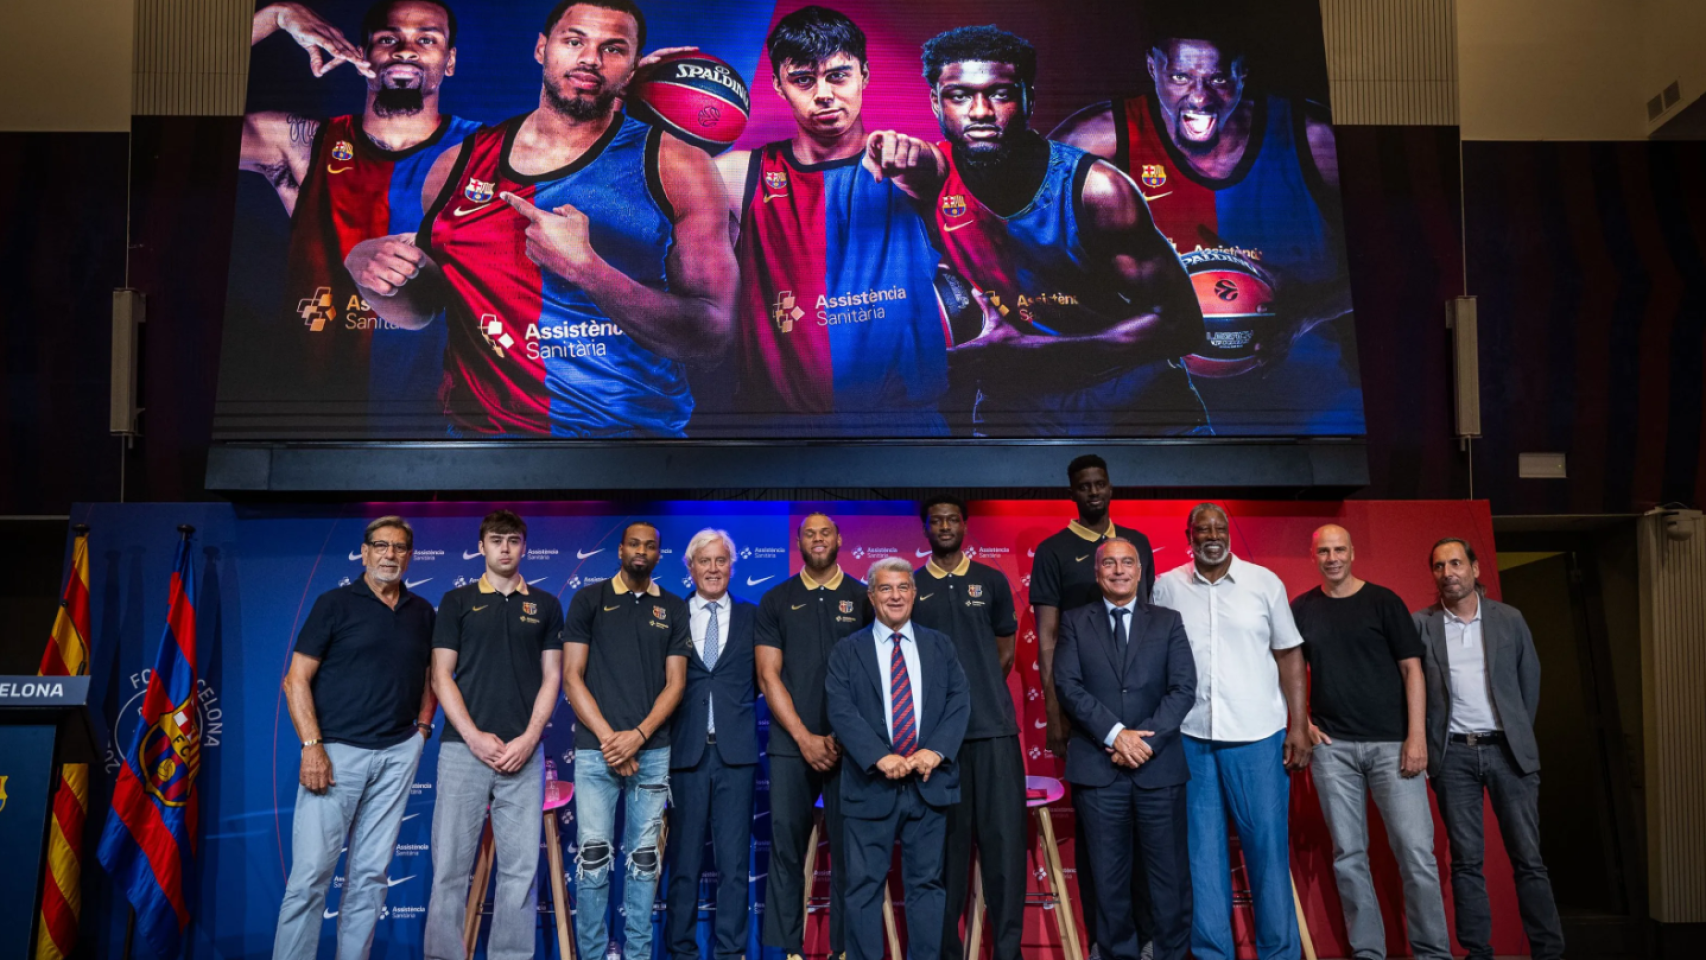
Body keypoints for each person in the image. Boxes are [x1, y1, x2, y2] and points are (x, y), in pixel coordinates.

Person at [346, 0, 738, 438]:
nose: (590, 58)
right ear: (541, 49)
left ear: (631, 71)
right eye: (574, 41)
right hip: (485, 445)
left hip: (631, 447)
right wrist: (368, 268)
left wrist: (588, 270)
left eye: (613, 48)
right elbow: (424, 308)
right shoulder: (456, 165)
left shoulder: (677, 165)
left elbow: (710, 338)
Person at [919, 25, 1207, 437]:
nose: (980, 111)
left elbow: (1183, 326)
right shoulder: (923, 182)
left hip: (1129, 396)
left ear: (1028, 98)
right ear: (935, 102)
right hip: (1014, 405)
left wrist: (1031, 351)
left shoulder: (1097, 190)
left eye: (1000, 94)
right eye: (959, 96)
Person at [1051, 8, 1351, 398]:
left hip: (1311, 401)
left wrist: (1306, 310)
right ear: (1152, 67)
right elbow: (1019, 246)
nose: (1199, 97)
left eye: (1218, 78)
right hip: (1158, 407)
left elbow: (1395, 262)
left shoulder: (1312, 138)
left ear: (1242, 73)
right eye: (1180, 77)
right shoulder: (1098, 142)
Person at [704, 5, 950, 437]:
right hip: (778, 433)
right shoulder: (737, 175)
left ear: (865, 76)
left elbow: (940, 171)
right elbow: (653, 206)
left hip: (905, 429)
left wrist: (921, 161)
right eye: (803, 79)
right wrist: (643, 103)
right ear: (779, 86)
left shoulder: (913, 168)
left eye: (838, 75)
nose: (823, 94)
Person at [241, 1, 478, 426]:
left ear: (451, 60)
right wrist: (273, 18)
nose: (406, 50)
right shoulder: (302, 145)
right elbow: (170, 123)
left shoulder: (491, 151)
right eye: (388, 39)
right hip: (312, 422)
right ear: (361, 55)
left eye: (427, 39)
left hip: (443, 429)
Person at [1152, 503, 1311, 960]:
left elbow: (1289, 655)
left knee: (1268, 852)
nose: (1212, 535)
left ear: (1228, 534)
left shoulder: (1264, 583)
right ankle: (1211, 954)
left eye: (1219, 527)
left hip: (1258, 736)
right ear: (1189, 535)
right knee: (1201, 858)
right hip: (1190, 738)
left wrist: (1297, 725)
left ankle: (1279, 953)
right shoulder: (1166, 587)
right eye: (1203, 529)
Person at [274, 516, 437, 960]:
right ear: (364, 553)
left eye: (400, 547)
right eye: (381, 546)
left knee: (369, 876)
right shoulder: (335, 604)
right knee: (310, 877)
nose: (390, 555)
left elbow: (430, 676)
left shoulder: (423, 612)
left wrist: (422, 731)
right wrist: (312, 747)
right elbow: (295, 681)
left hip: (398, 754)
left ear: (410, 555)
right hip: (335, 754)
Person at [1290, 525, 1449, 960]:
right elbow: (1286, 672)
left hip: (1392, 746)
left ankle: (1433, 953)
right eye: (1323, 550)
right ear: (1314, 556)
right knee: (1349, 857)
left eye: (1339, 549)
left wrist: (1416, 737)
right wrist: (1301, 722)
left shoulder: (1384, 601)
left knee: (1417, 855)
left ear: (1353, 553)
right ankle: (1368, 952)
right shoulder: (1302, 608)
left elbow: (1412, 671)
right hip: (1333, 751)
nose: (1332, 557)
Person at [1030, 453, 1159, 956]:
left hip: (1143, 718)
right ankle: (1109, 944)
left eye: (1099, 484)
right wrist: (1057, 714)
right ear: (1072, 492)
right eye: (1083, 486)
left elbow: (1148, 628)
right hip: (1085, 717)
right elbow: (1047, 639)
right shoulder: (1053, 550)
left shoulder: (1136, 544)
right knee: (1101, 850)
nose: (1092, 493)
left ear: (1110, 487)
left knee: (1149, 847)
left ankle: (1149, 941)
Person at [1414, 538, 1565, 960]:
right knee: (1465, 862)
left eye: (1457, 562)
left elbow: (1527, 683)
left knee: (1529, 860)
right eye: (1440, 565)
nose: (1449, 572)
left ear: (1475, 568)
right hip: (1454, 756)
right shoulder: (1421, 624)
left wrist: (1514, 734)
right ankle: (1478, 952)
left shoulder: (1509, 619)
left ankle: (1549, 951)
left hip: (1508, 754)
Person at [423, 510, 563, 960]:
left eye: (514, 540)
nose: (505, 548)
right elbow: (441, 676)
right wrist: (473, 736)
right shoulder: (457, 601)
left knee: (520, 872)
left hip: (524, 755)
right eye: (496, 540)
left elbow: (553, 678)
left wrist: (528, 739)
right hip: (463, 752)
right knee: (448, 868)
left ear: (525, 547)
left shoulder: (545, 605)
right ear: (481, 546)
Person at [1053, 538, 1196, 960]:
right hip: (1099, 769)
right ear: (1097, 573)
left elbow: (1183, 688)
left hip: (1159, 768)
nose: (1119, 570)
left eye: (1127, 562)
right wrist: (1117, 735)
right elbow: (1068, 685)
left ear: (1140, 571)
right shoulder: (1075, 621)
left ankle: (1171, 954)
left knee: (1169, 879)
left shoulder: (1168, 621)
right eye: (1109, 563)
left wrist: (1141, 741)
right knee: (1107, 879)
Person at [825, 558, 970, 960]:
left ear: (915, 593)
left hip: (929, 784)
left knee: (927, 886)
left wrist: (935, 751)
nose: (895, 596)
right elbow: (840, 709)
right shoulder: (847, 651)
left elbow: (959, 702)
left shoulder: (940, 645)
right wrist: (879, 757)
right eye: (886, 588)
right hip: (870, 784)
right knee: (863, 886)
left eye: (903, 587)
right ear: (871, 596)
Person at [562, 520, 690, 960]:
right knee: (594, 862)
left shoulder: (673, 607)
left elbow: (675, 685)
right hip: (596, 753)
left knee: (643, 865)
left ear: (659, 554)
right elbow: (571, 678)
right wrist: (608, 740)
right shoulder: (588, 599)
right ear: (620, 550)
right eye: (634, 544)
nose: (641, 551)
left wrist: (636, 737)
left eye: (650, 546)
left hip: (651, 754)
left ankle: (637, 956)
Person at [755, 512, 873, 960]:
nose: (818, 539)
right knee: (786, 851)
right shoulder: (776, 599)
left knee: (851, 853)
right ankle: (788, 951)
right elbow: (768, 676)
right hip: (791, 745)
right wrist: (805, 738)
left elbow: (876, 677)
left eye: (825, 532)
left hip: (853, 749)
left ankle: (845, 950)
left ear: (839, 539)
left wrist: (845, 738)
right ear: (798, 542)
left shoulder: (864, 596)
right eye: (809, 533)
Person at [910, 495, 1024, 959]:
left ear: (964, 524)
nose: (943, 526)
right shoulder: (911, 586)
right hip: (938, 747)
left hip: (994, 734)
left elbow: (1005, 652)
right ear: (925, 528)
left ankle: (1009, 952)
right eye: (935, 521)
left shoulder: (991, 581)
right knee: (945, 861)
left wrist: (973, 697)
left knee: (1005, 856)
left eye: (951, 519)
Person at [663, 528, 759, 960]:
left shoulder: (753, 617)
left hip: (736, 755)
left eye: (721, 561)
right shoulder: (669, 614)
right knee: (683, 863)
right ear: (690, 567)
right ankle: (681, 950)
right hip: (684, 754)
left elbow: (765, 681)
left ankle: (730, 951)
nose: (714, 569)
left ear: (732, 567)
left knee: (735, 866)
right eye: (705, 561)